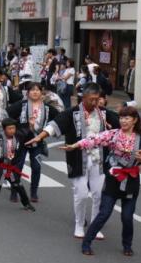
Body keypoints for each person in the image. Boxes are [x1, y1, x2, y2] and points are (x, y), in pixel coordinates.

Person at [29, 83, 117, 239]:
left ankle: (95, 226)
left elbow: (123, 126)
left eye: (97, 99)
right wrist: (40, 136)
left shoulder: (104, 114)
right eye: (91, 99)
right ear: (83, 98)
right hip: (77, 157)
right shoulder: (72, 113)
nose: (95, 103)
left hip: (100, 158)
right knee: (81, 193)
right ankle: (79, 223)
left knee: (98, 194)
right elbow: (54, 125)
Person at [64, 106, 141, 256]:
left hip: (131, 180)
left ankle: (127, 245)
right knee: (104, 213)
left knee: (127, 216)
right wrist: (75, 145)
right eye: (121, 118)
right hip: (113, 179)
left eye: (127, 118)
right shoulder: (113, 134)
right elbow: (94, 139)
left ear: (135, 120)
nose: (123, 121)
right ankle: (87, 242)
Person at [7, 82, 58, 202]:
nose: (35, 92)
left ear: (41, 92)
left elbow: (59, 119)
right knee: (17, 166)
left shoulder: (47, 108)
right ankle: (15, 191)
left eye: (37, 90)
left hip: (37, 141)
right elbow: (7, 115)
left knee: (36, 166)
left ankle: (34, 192)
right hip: (21, 140)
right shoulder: (21, 105)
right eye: (32, 90)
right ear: (28, 92)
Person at [0, 119, 34, 212]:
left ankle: (27, 204)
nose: (12, 130)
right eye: (9, 129)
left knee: (18, 186)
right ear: (4, 129)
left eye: (14, 128)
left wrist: (31, 126)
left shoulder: (18, 136)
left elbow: (29, 134)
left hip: (12, 167)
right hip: (1, 167)